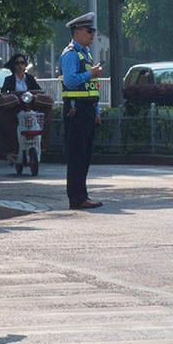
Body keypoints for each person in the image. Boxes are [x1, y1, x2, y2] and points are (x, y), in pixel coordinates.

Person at [60, 12, 103, 210]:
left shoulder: (85, 53)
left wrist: (96, 110)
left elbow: (90, 86)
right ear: (77, 33)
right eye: (89, 31)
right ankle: (76, 198)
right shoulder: (70, 54)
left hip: (86, 109)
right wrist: (90, 73)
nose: (93, 35)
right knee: (76, 155)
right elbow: (69, 80)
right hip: (75, 110)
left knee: (84, 155)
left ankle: (82, 195)